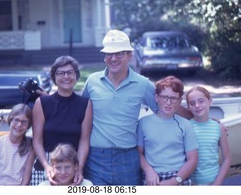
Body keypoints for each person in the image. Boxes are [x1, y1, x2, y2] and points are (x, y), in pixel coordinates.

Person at [82, 29, 192, 185]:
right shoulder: (92, 81)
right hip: (96, 158)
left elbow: (167, 105)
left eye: (119, 53)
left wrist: (201, 118)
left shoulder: (142, 83)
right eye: (109, 54)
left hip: (128, 158)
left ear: (129, 55)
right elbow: (79, 114)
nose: (113, 58)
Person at [30, 55, 92, 186]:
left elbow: (84, 141)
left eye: (70, 72)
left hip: (72, 167)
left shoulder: (85, 104)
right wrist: (47, 167)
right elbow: (37, 141)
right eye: (61, 73)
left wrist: (79, 169)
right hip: (45, 166)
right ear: (54, 77)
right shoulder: (42, 103)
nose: (66, 76)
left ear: (76, 75)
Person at [137, 75, 198, 186]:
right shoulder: (143, 123)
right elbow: (139, 153)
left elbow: (192, 160)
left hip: (179, 177)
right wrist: (148, 170)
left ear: (179, 101)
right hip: (152, 177)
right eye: (164, 97)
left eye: (173, 98)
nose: (168, 102)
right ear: (156, 97)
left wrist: (175, 181)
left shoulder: (185, 125)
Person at [186, 86, 231, 185]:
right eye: (192, 103)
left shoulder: (219, 128)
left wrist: (217, 183)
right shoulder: (186, 127)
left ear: (210, 101)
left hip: (213, 181)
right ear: (188, 106)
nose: (197, 105)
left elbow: (227, 158)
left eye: (201, 101)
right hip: (190, 183)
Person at [0, 103, 35, 185]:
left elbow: (26, 180)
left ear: (28, 126)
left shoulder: (30, 147)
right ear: (10, 119)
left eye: (24, 122)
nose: (19, 125)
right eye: (16, 120)